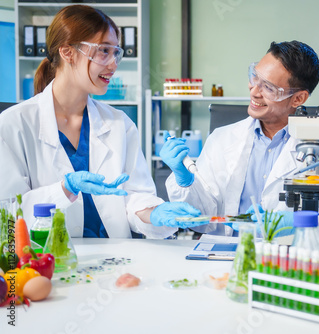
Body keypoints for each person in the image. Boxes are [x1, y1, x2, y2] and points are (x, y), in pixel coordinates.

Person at [0, 5, 200, 239]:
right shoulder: (14, 124)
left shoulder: (120, 124)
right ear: (68, 52)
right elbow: (8, 214)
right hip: (48, 263)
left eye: (116, 52)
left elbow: (134, 196)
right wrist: (63, 190)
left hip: (115, 261)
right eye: (104, 51)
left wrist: (154, 212)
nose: (114, 64)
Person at [162, 41, 319, 235]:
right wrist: (185, 181)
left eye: (268, 87)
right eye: (255, 76)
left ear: (298, 99)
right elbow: (201, 221)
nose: (254, 91)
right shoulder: (221, 139)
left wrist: (285, 226)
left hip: (286, 256)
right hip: (226, 255)